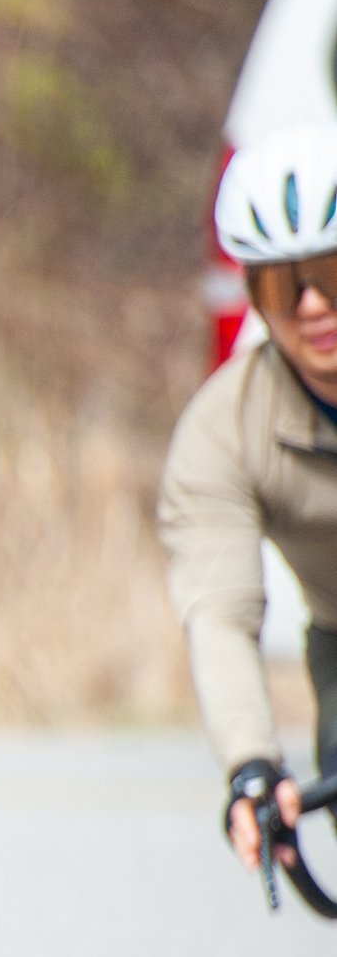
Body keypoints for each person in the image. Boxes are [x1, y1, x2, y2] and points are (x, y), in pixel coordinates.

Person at [163, 120, 337, 875]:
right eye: (282, 285)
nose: (312, 305)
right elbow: (221, 616)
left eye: (331, 273)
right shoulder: (223, 431)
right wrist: (252, 767)